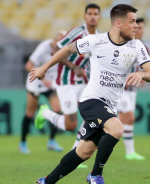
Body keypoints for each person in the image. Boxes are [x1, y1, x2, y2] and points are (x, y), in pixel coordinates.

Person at [29, 4, 150, 184]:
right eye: (133, 21)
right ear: (119, 23)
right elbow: (67, 49)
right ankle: (95, 175)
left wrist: (141, 73)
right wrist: (44, 68)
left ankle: (46, 181)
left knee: (83, 152)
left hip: (109, 107)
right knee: (117, 128)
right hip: (91, 100)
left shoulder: (136, 46)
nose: (136, 26)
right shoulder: (97, 41)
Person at [34, 3, 101, 153]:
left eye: (95, 14)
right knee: (70, 125)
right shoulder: (77, 33)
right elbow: (55, 50)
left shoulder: (99, 37)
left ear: (99, 17)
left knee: (90, 117)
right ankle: (45, 113)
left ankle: (75, 152)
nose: (92, 16)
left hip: (84, 83)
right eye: (89, 13)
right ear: (85, 16)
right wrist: (73, 66)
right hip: (66, 81)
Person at [19, 31, 66, 154]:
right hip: (36, 81)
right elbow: (28, 65)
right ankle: (23, 142)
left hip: (50, 84)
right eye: (59, 41)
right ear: (54, 40)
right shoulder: (44, 47)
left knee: (57, 109)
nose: (60, 45)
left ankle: (51, 141)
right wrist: (43, 78)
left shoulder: (64, 49)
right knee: (30, 113)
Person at [117, 18, 149, 160]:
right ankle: (129, 152)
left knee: (123, 120)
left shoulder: (144, 47)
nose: (140, 31)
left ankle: (130, 152)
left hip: (132, 90)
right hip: (119, 88)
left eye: (141, 28)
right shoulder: (122, 44)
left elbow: (146, 68)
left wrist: (142, 76)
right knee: (129, 117)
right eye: (138, 28)